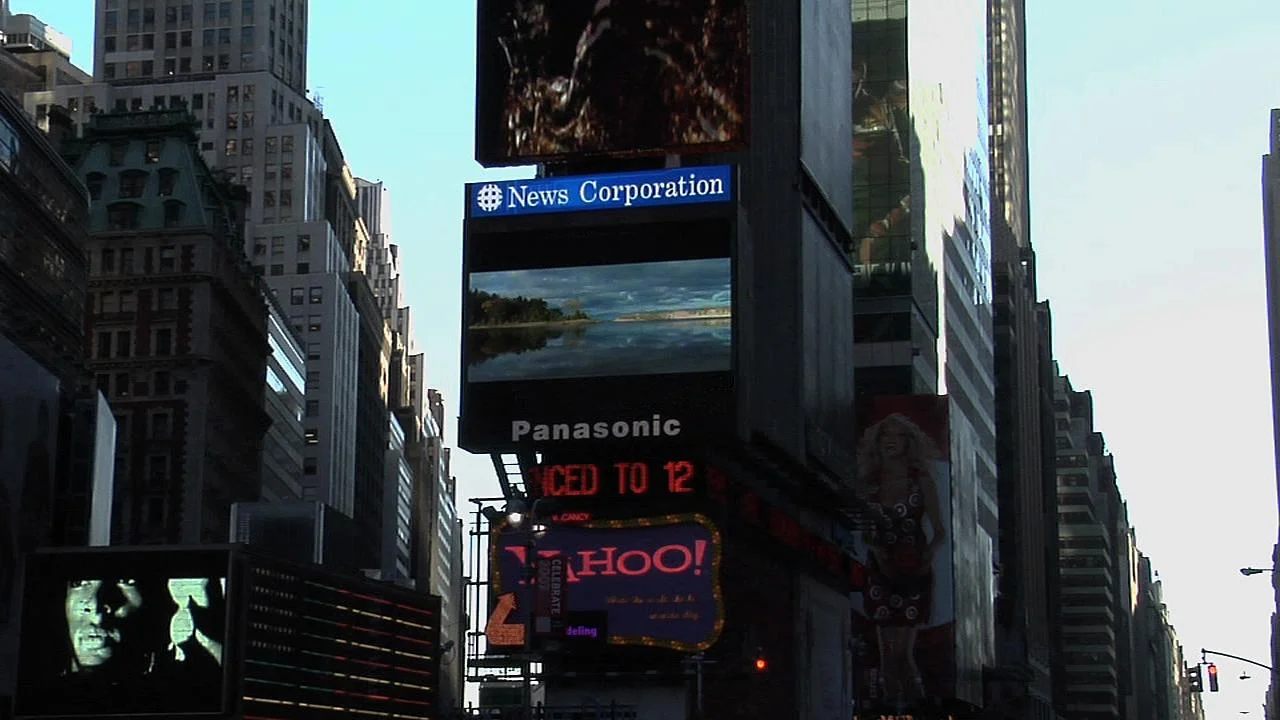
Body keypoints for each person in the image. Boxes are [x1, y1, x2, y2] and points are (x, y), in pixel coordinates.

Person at [854, 412, 946, 707]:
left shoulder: (922, 481)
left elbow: (940, 531)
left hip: (913, 571)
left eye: (897, 436)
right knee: (884, 654)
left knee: (902, 654)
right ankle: (890, 705)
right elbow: (866, 531)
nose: (891, 442)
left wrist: (926, 556)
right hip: (881, 570)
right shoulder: (871, 483)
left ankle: (915, 705)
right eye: (885, 436)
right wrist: (878, 553)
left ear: (909, 443)